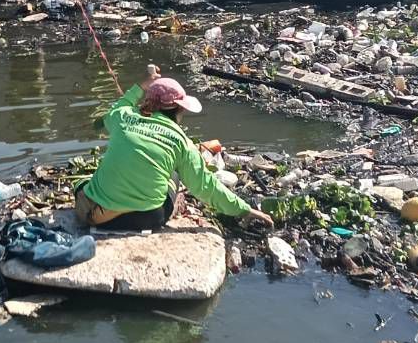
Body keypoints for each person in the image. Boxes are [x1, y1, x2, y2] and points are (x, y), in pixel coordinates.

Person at [74, 64, 274, 233]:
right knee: (174, 175)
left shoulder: (123, 117)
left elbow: (118, 107)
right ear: (180, 108)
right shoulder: (182, 142)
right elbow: (205, 186)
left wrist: (143, 85)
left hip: (96, 216)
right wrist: (245, 210)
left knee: (83, 184)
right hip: (147, 219)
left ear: (148, 103)